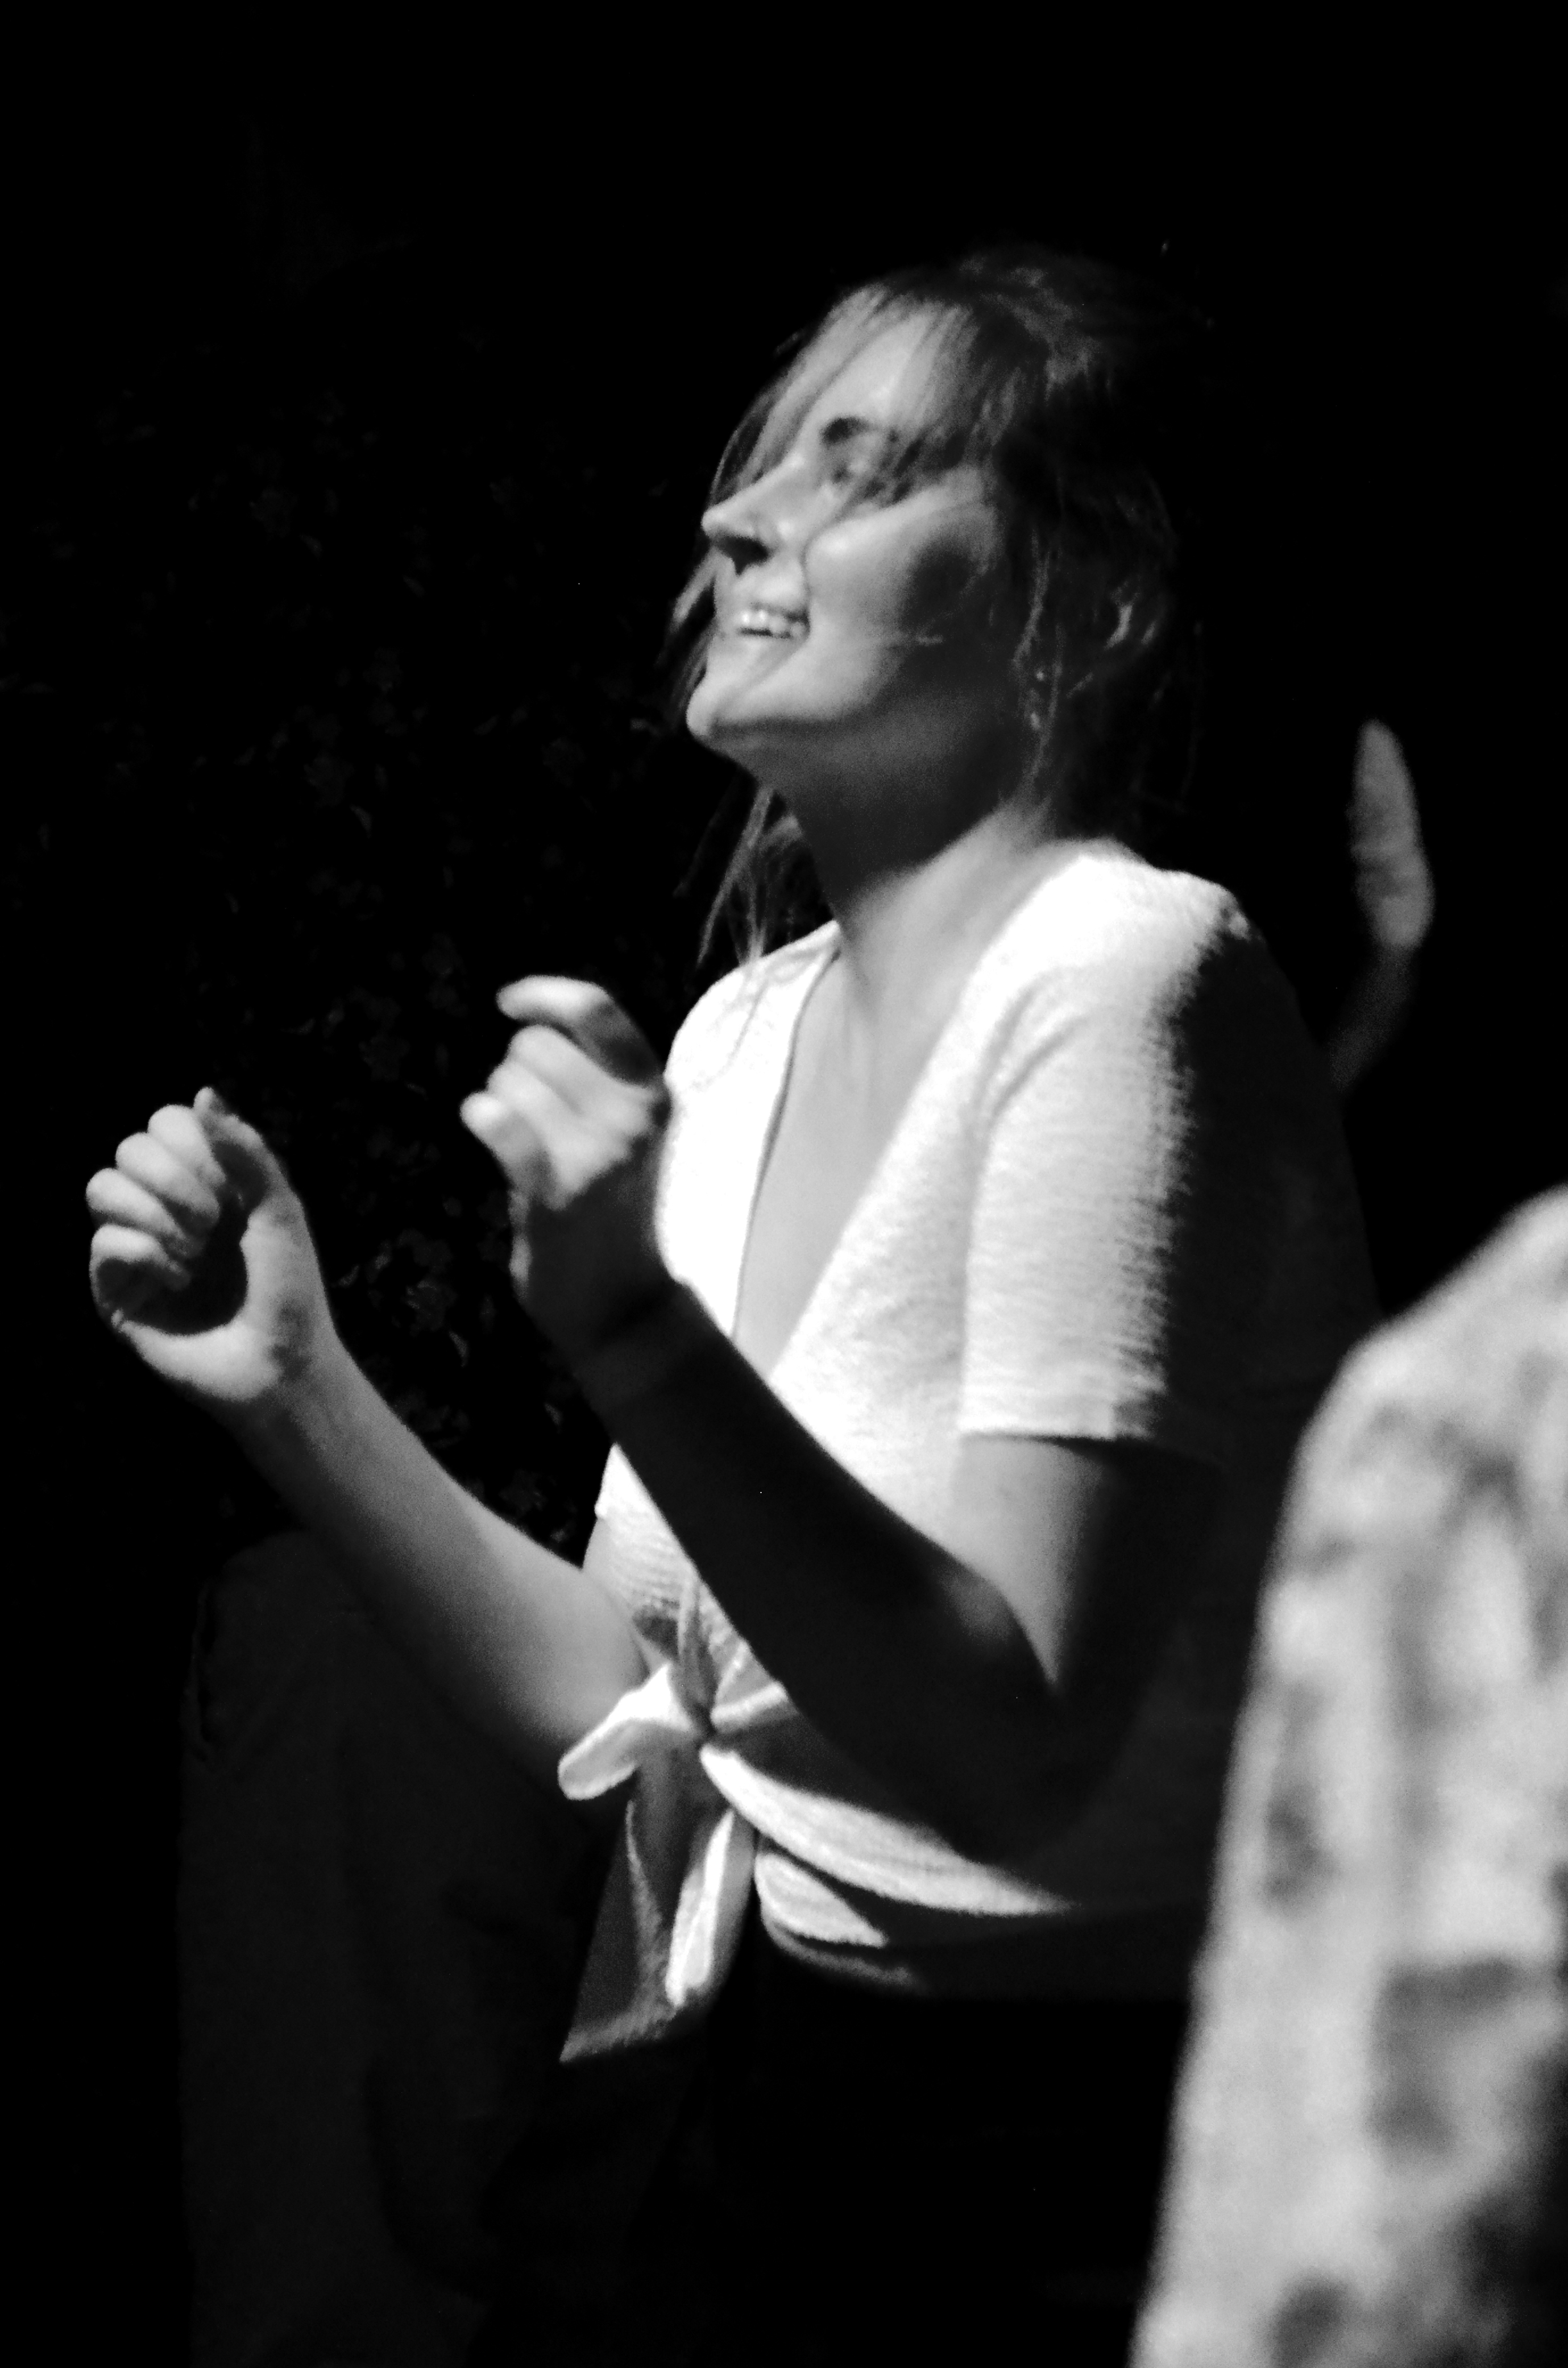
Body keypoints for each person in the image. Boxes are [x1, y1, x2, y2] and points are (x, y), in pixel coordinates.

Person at [87, 249, 1378, 2365]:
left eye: (855, 473)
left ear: (1082, 599)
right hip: (794, 2096)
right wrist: (293, 1383)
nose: (738, 518)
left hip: (1088, 2161)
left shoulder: (1129, 979)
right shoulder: (747, 1031)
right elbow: (641, 1698)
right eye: (763, 464)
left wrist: (637, 1332)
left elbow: (1009, 1752)